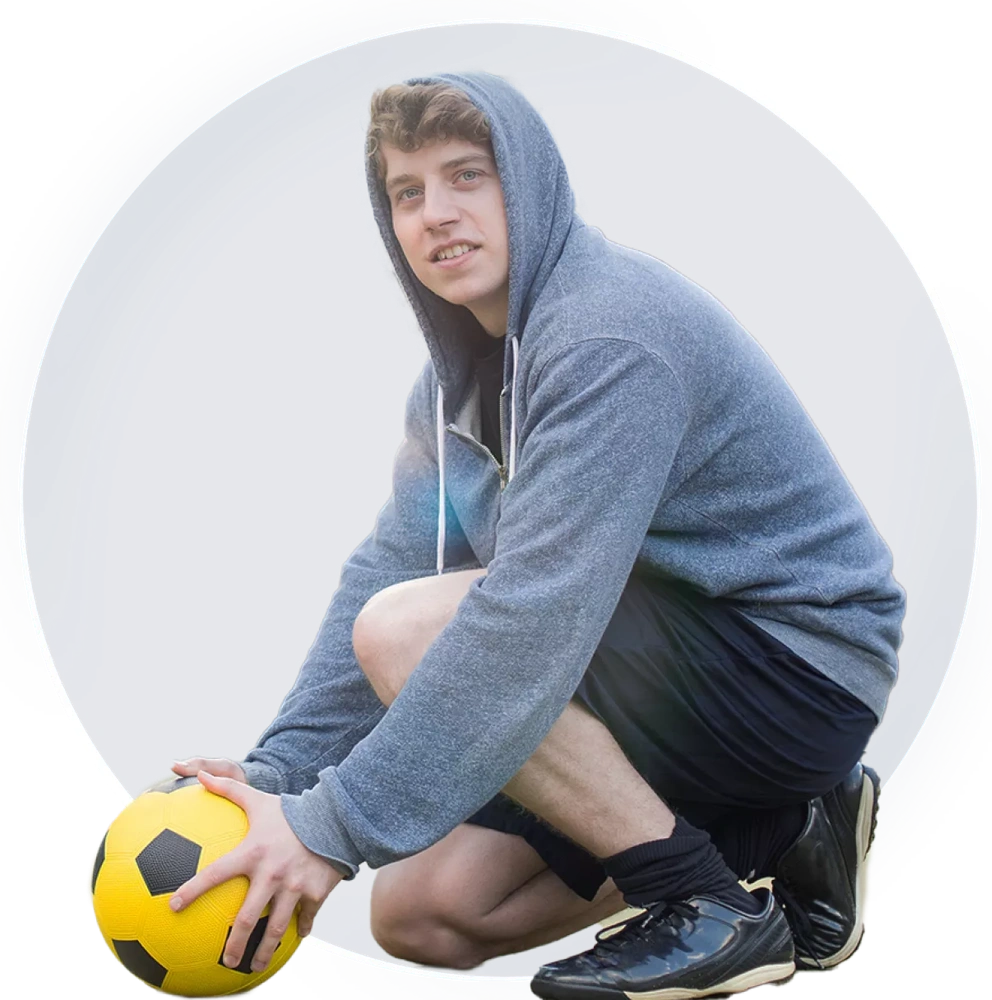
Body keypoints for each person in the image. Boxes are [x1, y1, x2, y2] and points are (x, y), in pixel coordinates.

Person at [168, 68, 905, 999]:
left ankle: (706, 908)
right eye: (408, 191)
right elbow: (391, 563)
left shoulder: (608, 337)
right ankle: (791, 825)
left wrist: (331, 826)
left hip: (798, 658)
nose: (436, 213)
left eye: (468, 175)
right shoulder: (453, 387)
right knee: (424, 914)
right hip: (666, 659)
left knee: (413, 631)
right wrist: (281, 773)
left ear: (532, 182)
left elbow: (532, 617)